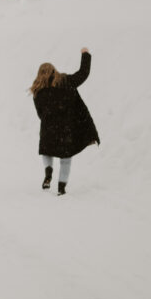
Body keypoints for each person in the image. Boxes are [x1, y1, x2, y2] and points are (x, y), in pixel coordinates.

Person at [30, 47, 100, 195]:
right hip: (65, 129)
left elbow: (40, 113)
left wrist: (48, 120)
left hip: (48, 128)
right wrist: (85, 55)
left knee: (47, 151)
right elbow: (83, 74)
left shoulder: (38, 91)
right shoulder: (66, 81)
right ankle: (61, 187)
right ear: (54, 71)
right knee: (65, 159)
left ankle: (48, 172)